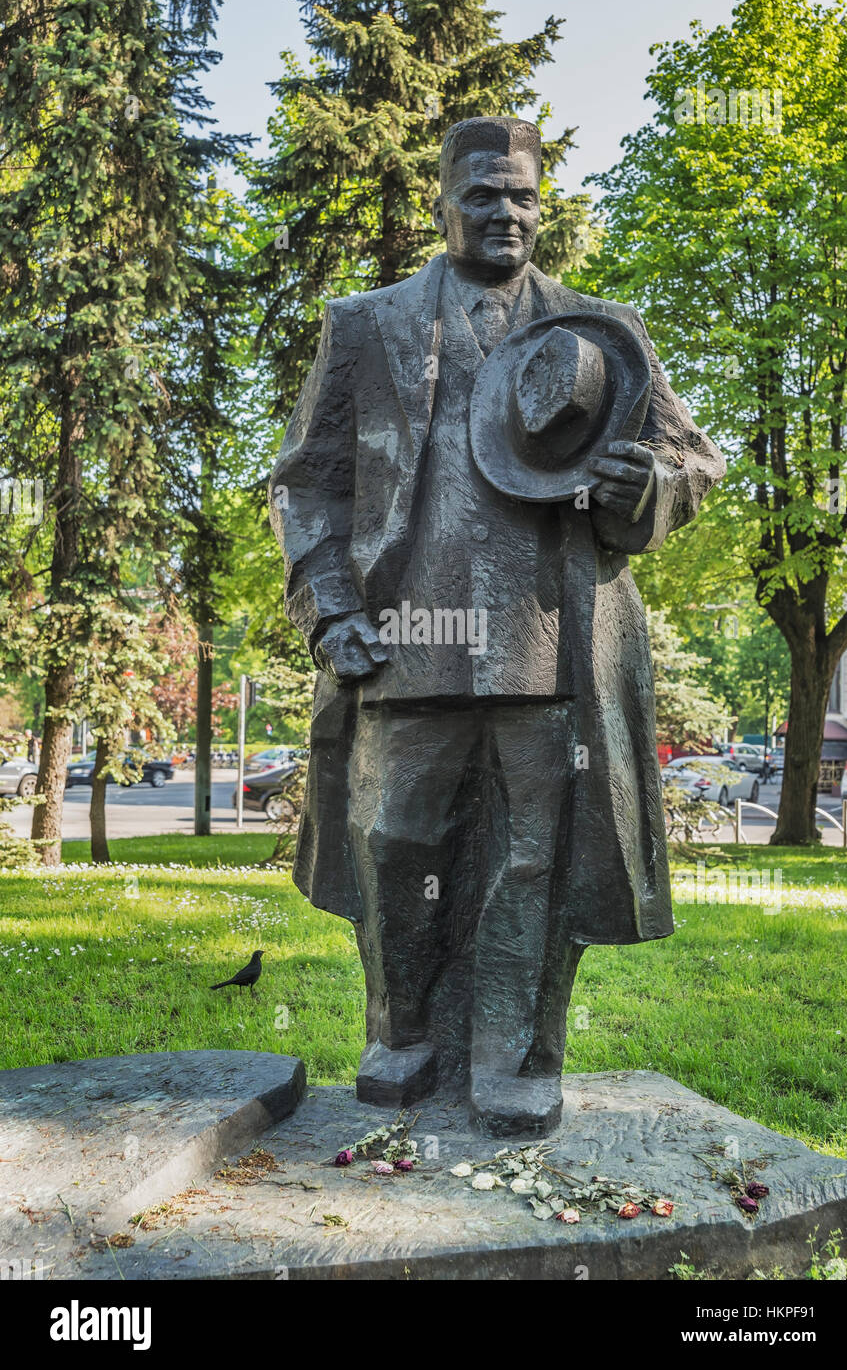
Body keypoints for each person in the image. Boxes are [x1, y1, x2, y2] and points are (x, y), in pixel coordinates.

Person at [270, 116, 725, 1135]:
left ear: (540, 202)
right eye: (482, 193)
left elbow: (694, 458)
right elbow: (305, 485)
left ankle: (516, 1057)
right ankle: (402, 1035)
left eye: (521, 195)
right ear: (443, 200)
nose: (504, 213)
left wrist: (643, 481)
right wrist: (330, 607)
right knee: (394, 840)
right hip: (404, 637)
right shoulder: (367, 323)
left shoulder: (596, 331)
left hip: (549, 643)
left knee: (538, 856)